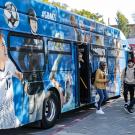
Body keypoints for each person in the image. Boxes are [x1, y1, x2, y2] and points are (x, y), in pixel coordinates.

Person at [0, 34, 24, 129]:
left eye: (5, 44)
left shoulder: (8, 63)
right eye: (2, 45)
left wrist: (22, 78)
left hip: (12, 118)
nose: (5, 47)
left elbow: (19, 74)